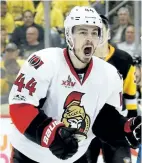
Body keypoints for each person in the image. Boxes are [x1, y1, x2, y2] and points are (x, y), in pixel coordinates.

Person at [9, 6, 141, 163]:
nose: (89, 38)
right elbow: (20, 107)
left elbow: (102, 120)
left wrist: (124, 129)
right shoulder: (44, 61)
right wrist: (51, 134)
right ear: (68, 35)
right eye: (82, 32)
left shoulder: (110, 75)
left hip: (74, 157)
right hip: (29, 156)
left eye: (94, 33)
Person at [87, 15, 138, 163]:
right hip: (86, 127)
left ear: (109, 33)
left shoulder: (124, 60)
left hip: (116, 126)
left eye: (101, 30)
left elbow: (130, 95)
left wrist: (131, 123)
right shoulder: (78, 60)